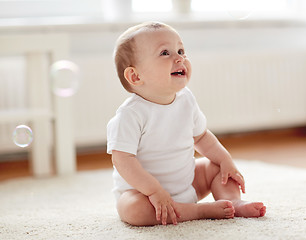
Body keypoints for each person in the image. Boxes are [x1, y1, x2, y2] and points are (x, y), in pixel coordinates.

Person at [107, 21, 266, 226]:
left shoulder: (186, 99)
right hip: (146, 196)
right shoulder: (130, 115)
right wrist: (154, 190)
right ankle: (197, 211)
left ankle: (233, 202)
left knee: (217, 167)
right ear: (136, 76)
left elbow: (201, 137)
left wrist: (225, 159)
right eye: (165, 53)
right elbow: (123, 160)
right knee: (132, 209)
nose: (180, 57)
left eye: (181, 50)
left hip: (187, 185)